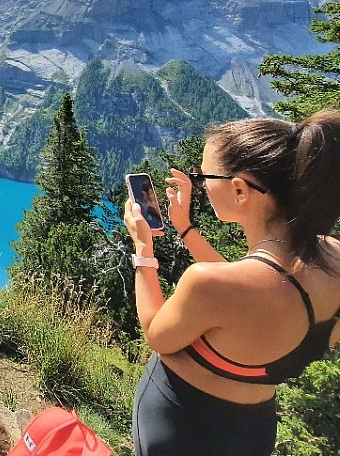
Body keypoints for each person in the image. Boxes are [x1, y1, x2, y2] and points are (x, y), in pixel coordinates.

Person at [124, 109, 340, 456]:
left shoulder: (208, 284)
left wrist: (142, 250)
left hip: (181, 426)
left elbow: (156, 333)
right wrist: (186, 229)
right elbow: (250, 293)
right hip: (253, 433)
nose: (201, 184)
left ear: (240, 190)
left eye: (205, 175)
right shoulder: (333, 262)